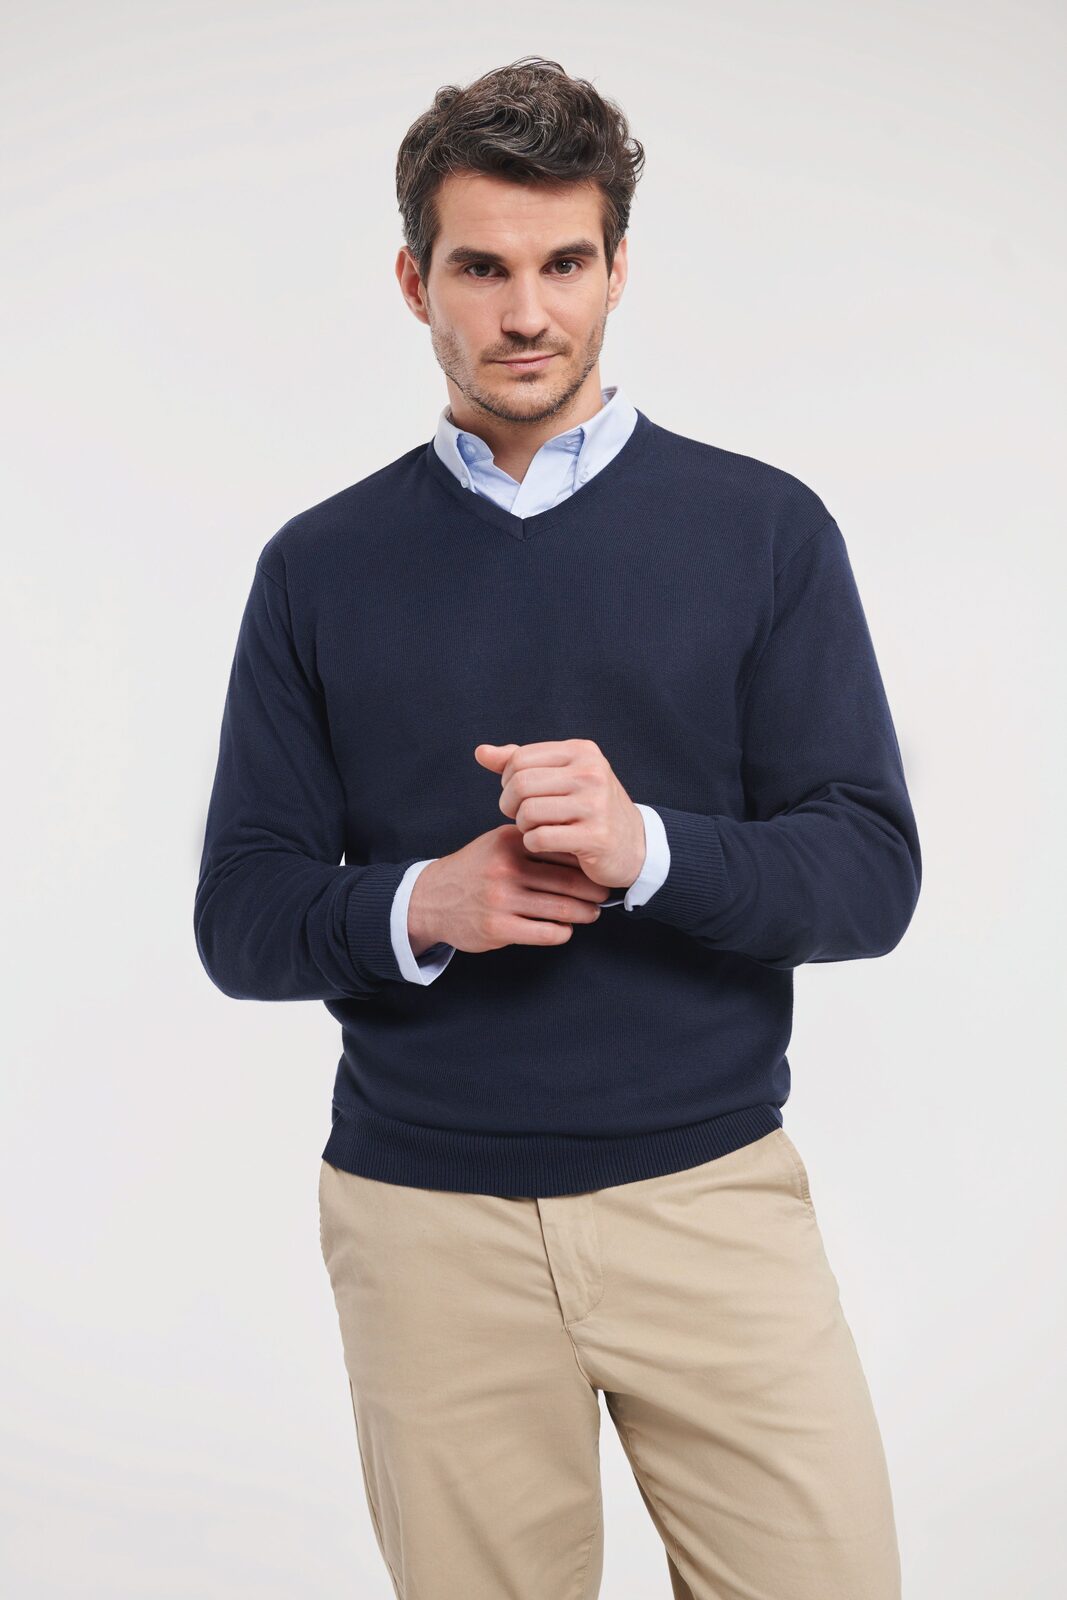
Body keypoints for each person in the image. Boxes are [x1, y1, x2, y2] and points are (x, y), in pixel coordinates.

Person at [194, 54, 921, 1600]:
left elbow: (870, 874)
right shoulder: (317, 568)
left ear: (618, 268)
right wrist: (423, 905)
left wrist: (649, 847)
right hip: (423, 1228)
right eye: (483, 268)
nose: (527, 313)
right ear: (416, 282)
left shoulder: (765, 531)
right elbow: (241, 915)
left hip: (708, 1201)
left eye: (565, 264)